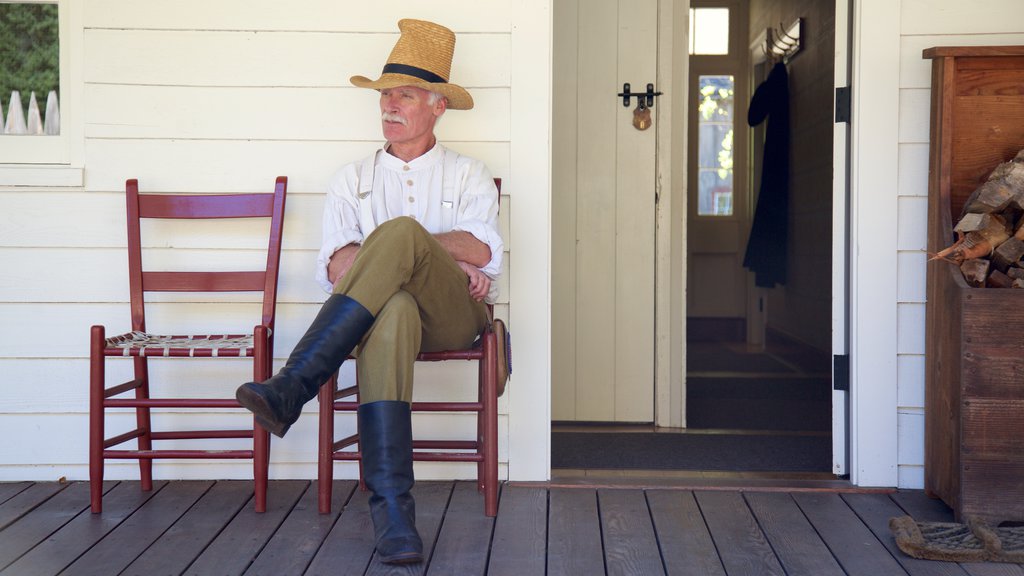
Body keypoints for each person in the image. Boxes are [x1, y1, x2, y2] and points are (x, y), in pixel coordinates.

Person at [235, 19, 502, 565]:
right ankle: (394, 519)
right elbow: (339, 266)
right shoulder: (350, 177)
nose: (389, 106)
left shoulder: (469, 174)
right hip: (380, 320)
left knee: (400, 233)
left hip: (454, 315)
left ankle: (294, 383)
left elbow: (480, 249)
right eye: (384, 96)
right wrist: (431, 257)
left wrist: (410, 247)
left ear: (437, 106)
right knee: (396, 305)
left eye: (404, 95)